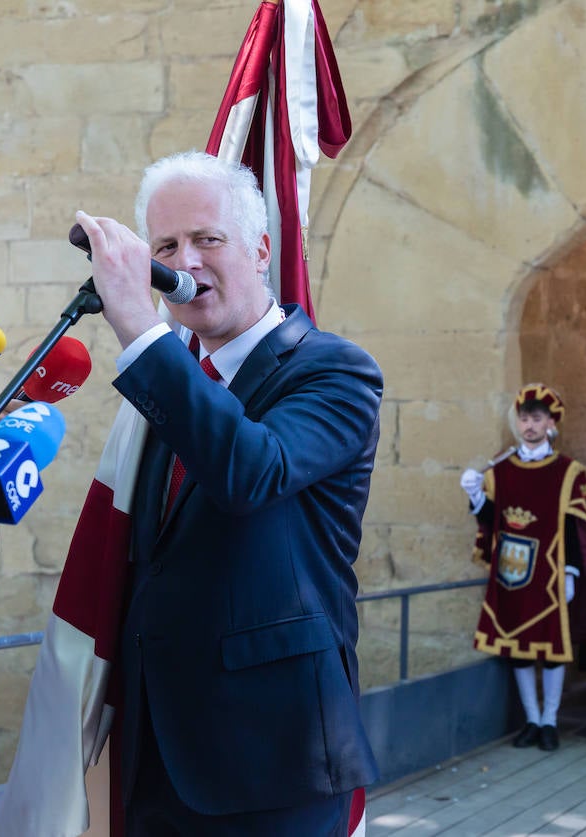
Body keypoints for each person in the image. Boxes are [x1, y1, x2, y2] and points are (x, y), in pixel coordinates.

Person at [69, 151, 382, 833]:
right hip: (157, 751)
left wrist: (139, 329)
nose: (187, 261)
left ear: (261, 249)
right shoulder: (172, 377)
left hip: (272, 757)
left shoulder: (335, 371)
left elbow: (251, 470)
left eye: (207, 239)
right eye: (166, 246)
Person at [464, 383, 586, 752]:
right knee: (519, 649)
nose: (529, 426)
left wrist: (570, 573)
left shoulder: (569, 471)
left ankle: (551, 720)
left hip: (550, 574)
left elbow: (576, 528)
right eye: (524, 418)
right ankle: (532, 720)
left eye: (537, 419)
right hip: (512, 573)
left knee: (551, 649)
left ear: (551, 424)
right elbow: (492, 520)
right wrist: (476, 495)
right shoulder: (500, 469)